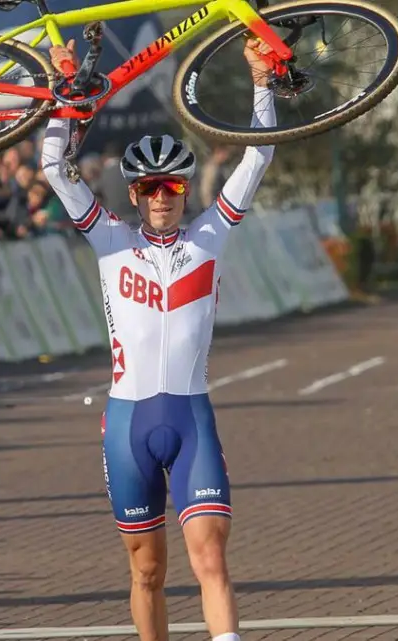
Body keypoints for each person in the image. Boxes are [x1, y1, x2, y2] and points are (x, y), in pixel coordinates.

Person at [41, 39, 277, 641]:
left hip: (192, 419)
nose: (163, 198)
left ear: (184, 190)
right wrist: (61, 98)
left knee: (211, 559)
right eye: (150, 189)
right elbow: (53, 168)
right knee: (147, 572)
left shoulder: (209, 238)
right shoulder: (111, 241)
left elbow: (258, 157)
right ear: (135, 195)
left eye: (172, 187)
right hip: (128, 426)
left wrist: (262, 81)